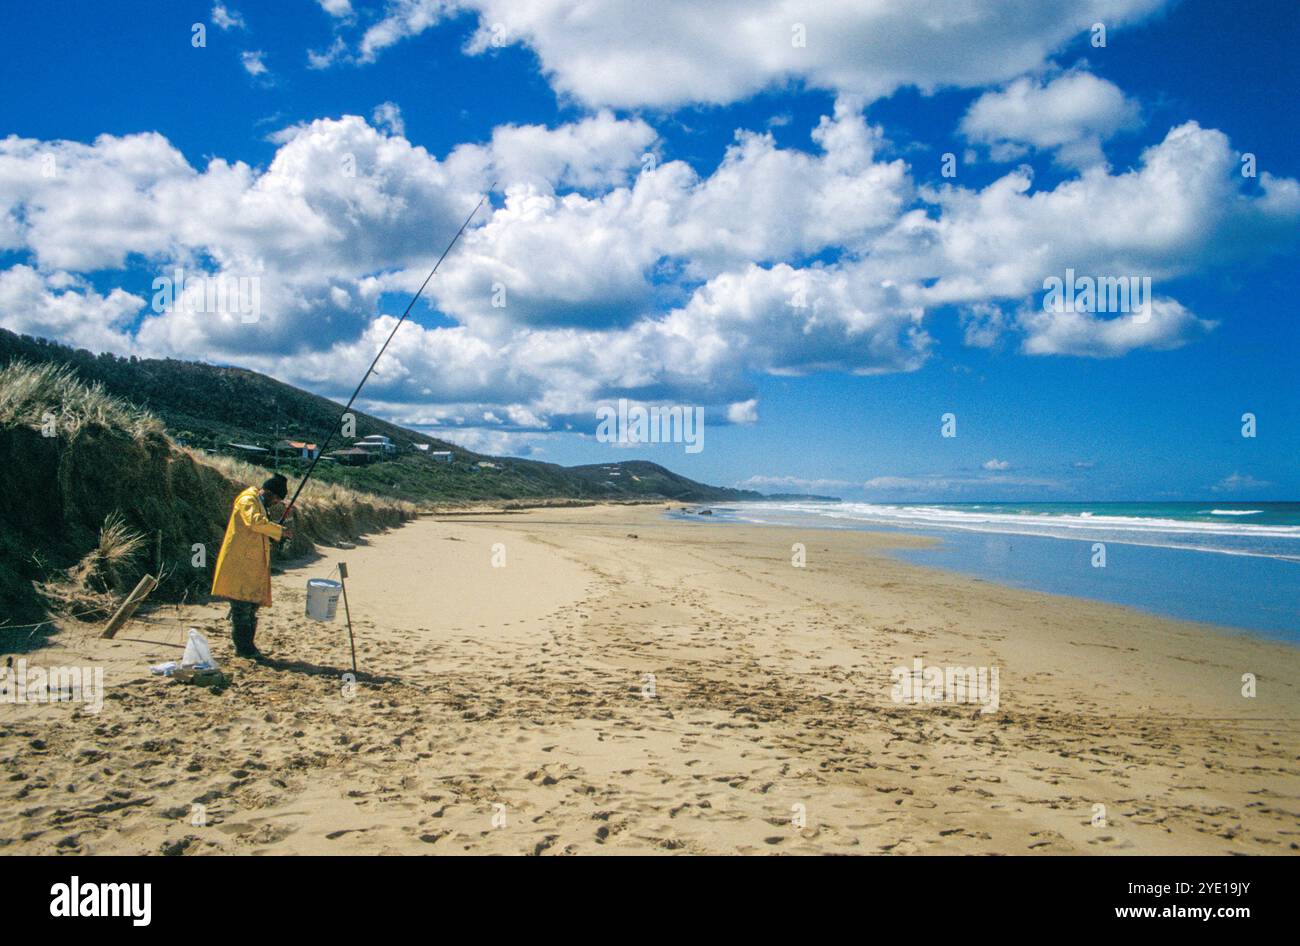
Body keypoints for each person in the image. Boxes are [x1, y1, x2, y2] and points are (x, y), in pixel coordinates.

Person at [211, 474, 294, 660]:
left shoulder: (259, 502)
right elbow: (255, 522)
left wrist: (274, 534)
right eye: (276, 499)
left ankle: (248, 647)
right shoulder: (248, 500)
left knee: (251, 607)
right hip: (240, 565)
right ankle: (244, 650)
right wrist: (279, 531)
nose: (276, 503)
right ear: (270, 493)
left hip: (251, 567)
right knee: (242, 609)